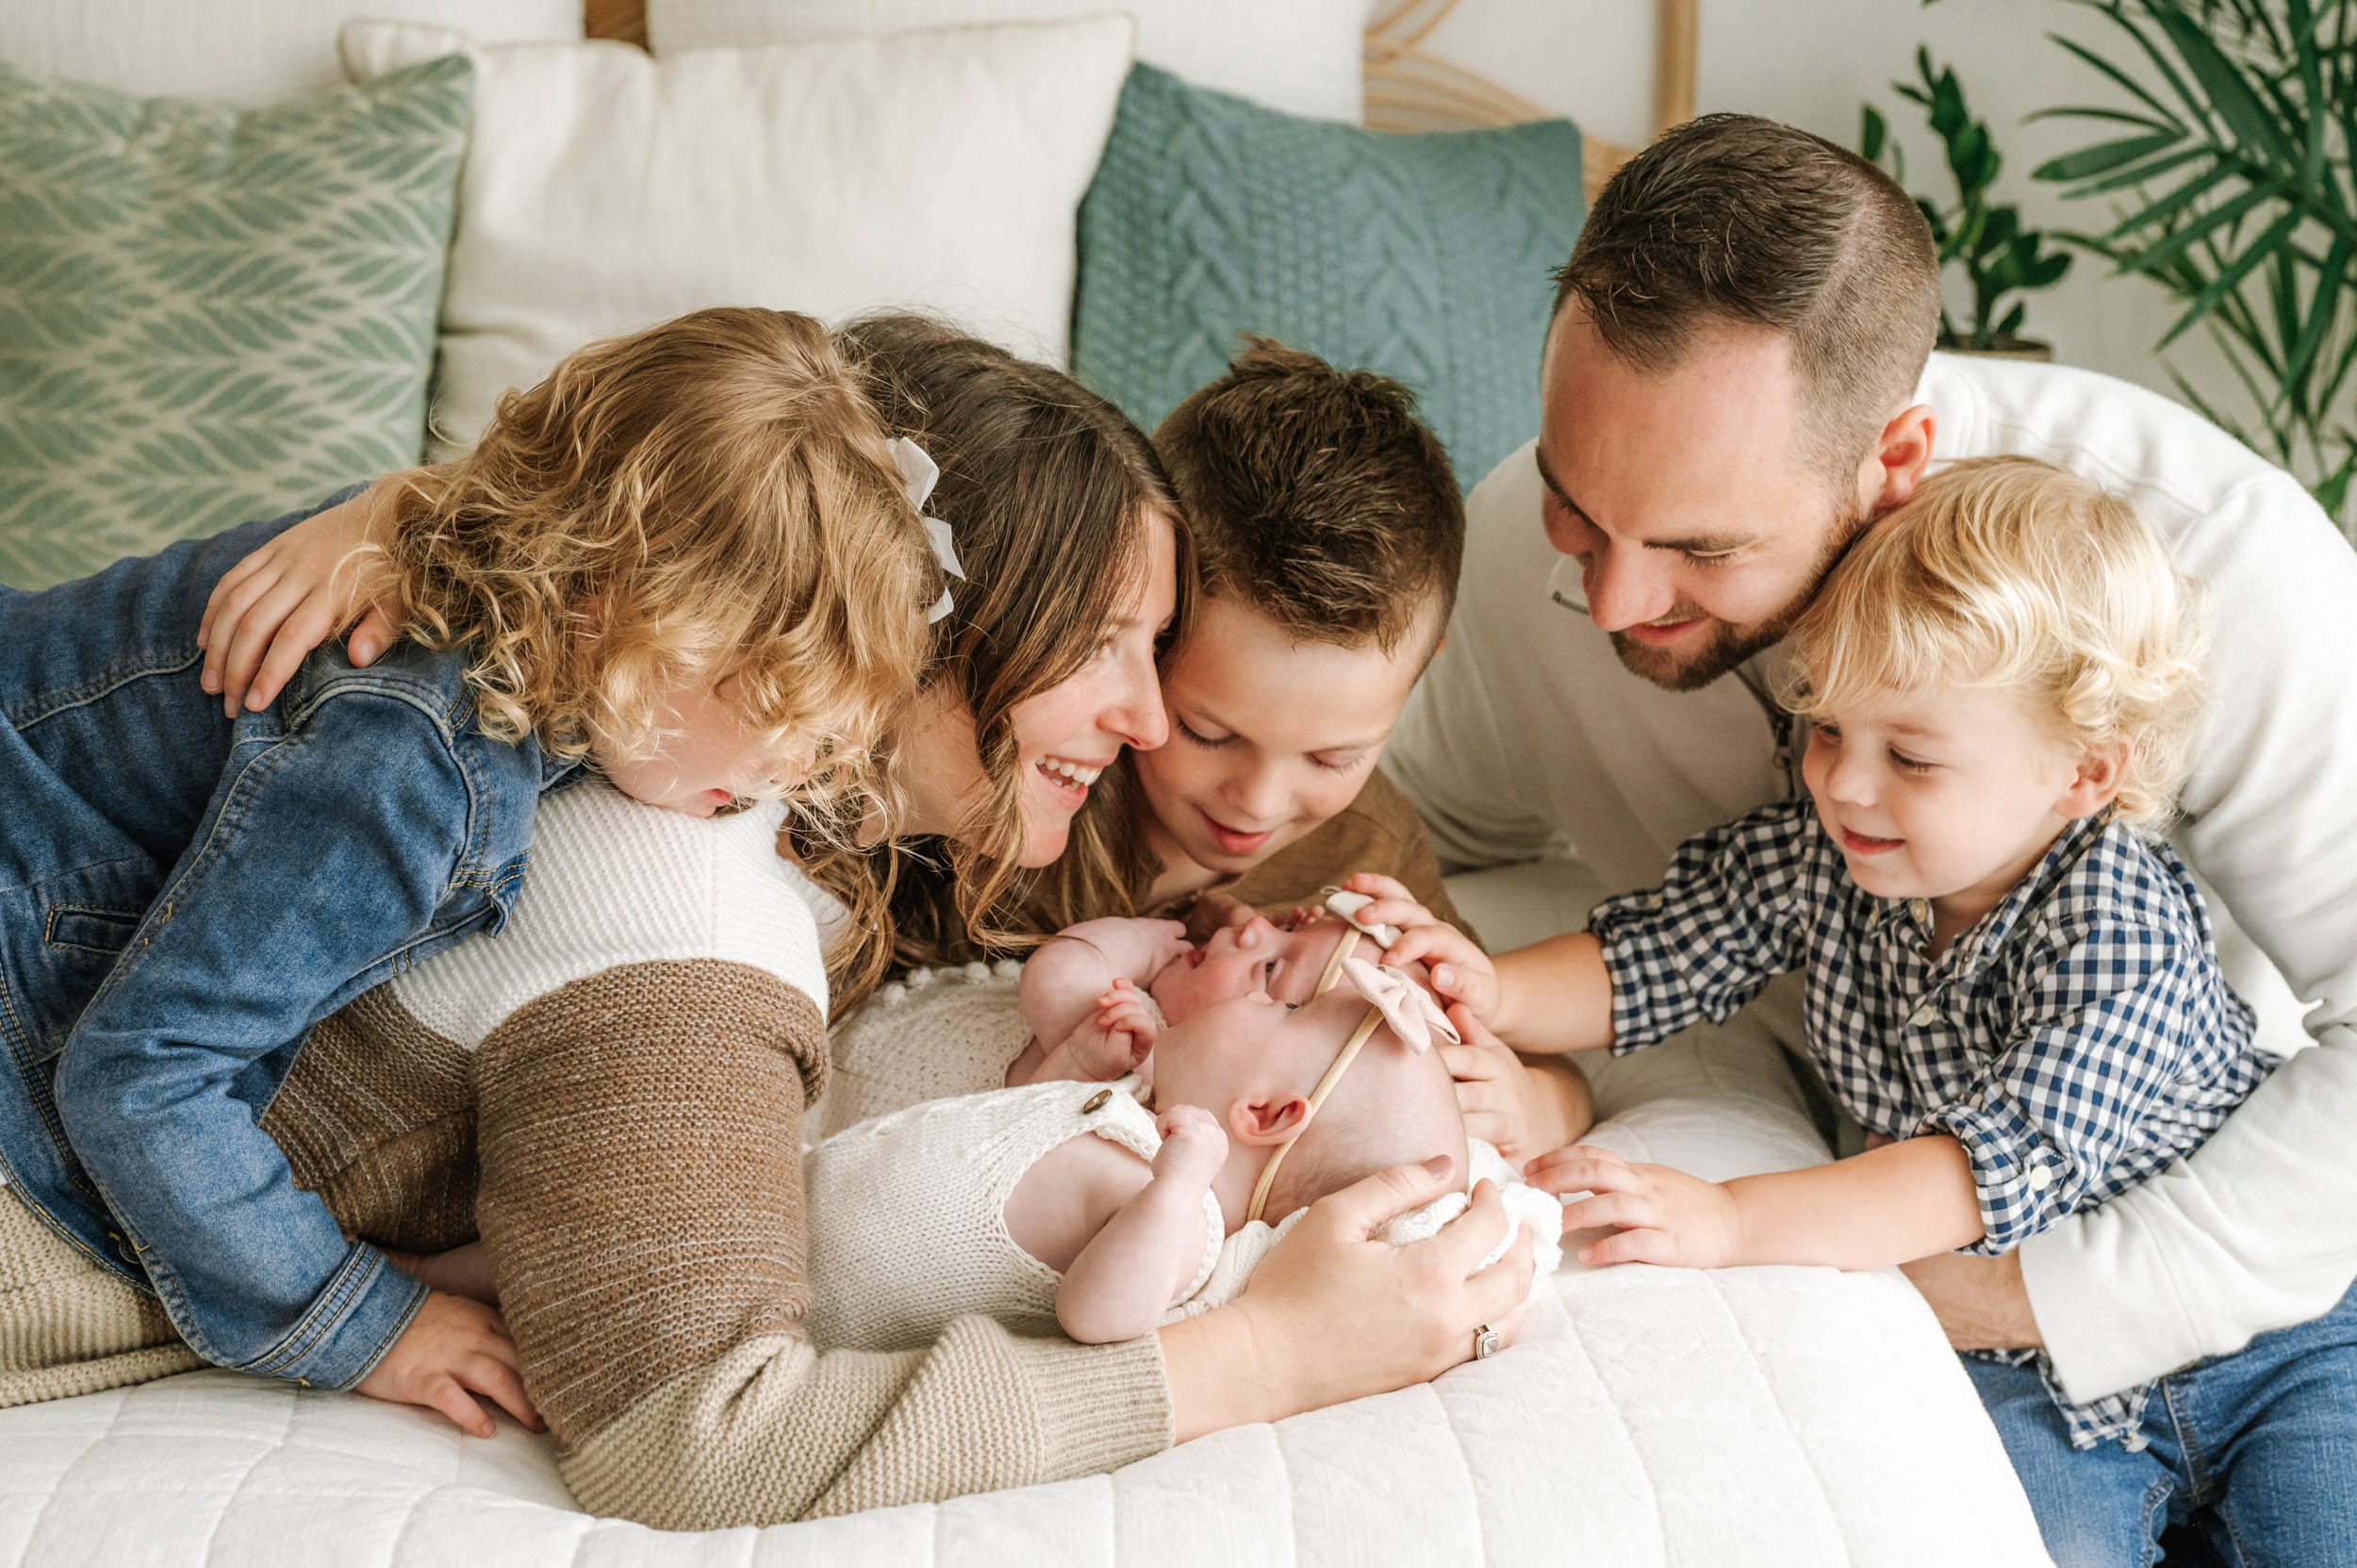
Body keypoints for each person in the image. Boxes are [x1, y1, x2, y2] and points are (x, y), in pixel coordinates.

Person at [62, 315, 1533, 1529]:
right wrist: (1263, 1352)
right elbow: (699, 1438)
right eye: (1111, 651)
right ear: (900, 628)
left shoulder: (798, 794)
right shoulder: (669, 873)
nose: (1151, 725)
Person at [1386, 112, 2357, 1563]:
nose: (1606, 605)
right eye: (1581, 514)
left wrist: (1994, 1287)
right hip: (1928, 1266)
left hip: (2226, 1265)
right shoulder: (1544, 548)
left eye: (1702, 550)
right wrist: (1462, 1004)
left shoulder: (2213, 566)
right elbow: (1426, 829)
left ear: (1893, 455)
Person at [0, 305, 933, 1435]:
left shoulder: (465, 586)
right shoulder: (412, 768)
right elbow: (141, 1072)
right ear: (611, 614)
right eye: (768, 703)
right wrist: (362, 1318)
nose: (795, 765)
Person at [1377, 458, 2308, 1488]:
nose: (1844, 784)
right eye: (1826, 729)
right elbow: (1656, 952)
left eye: (1909, 758)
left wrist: (1728, 1217)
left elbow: (1969, 1174)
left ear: (2083, 772)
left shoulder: (2120, 932)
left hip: (2262, 1344)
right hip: (2005, 1356)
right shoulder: (1829, 852)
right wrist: (1489, 990)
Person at [805, 958, 1561, 1350]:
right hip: (802, 1197)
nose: (1261, 996)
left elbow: (1099, 1314)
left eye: (1283, 1007)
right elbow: (1004, 1130)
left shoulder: (1189, 1223)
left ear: (1264, 1112)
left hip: (820, 1296)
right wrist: (1067, 1063)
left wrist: (1172, 1186)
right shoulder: (1140, 1113)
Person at [1024, 340, 1475, 937]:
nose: (1259, 803)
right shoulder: (1037, 779)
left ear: (1419, 675)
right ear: (1146, 633)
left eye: (1333, 759)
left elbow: (1462, 1018)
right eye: (1207, 734)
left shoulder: (1373, 857)